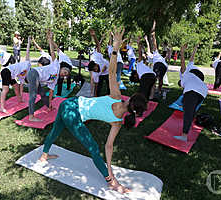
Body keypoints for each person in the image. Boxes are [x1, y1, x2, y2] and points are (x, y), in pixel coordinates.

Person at [38, 27, 147, 193]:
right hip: (72, 111)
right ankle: (110, 182)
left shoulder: (117, 96)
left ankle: (44, 155)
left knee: (56, 129)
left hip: (69, 104)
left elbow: (111, 72)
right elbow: (108, 147)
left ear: (131, 98)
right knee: (93, 148)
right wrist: (112, 176)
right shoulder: (117, 122)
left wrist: (115, 49)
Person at [27, 30, 71, 122]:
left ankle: (48, 106)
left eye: (65, 75)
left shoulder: (55, 80)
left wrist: (50, 103)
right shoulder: (56, 65)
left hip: (37, 78)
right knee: (33, 95)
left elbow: (51, 92)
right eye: (65, 72)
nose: (64, 74)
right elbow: (52, 52)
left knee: (43, 94)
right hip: (34, 73)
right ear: (63, 68)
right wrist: (50, 39)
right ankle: (31, 116)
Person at [173, 44, 208, 142]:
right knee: (191, 110)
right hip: (203, 90)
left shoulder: (184, 77)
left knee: (188, 112)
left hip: (194, 89)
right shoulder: (190, 72)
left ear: (181, 84)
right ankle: (188, 126)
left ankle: (184, 135)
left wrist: (182, 53)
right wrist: (195, 49)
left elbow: (182, 65)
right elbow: (191, 59)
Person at [0, 36, 32, 113]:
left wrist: (21, 96)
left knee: (16, 86)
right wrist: (29, 41)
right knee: (6, 89)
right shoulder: (28, 64)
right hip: (6, 71)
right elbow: (27, 52)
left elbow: (21, 86)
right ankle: (1, 107)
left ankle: (20, 100)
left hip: (11, 74)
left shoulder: (23, 77)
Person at [88, 29, 110, 97]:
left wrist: (94, 36)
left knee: (109, 85)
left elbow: (98, 45)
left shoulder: (96, 57)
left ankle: (110, 95)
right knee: (98, 85)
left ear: (96, 64)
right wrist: (92, 93)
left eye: (95, 69)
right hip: (102, 73)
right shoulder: (93, 71)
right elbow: (92, 81)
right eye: (94, 70)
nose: (95, 70)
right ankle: (96, 96)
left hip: (108, 70)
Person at [151, 20, 169, 94]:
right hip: (164, 66)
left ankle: (154, 90)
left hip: (159, 65)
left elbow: (154, 43)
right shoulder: (159, 56)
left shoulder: (156, 53)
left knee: (155, 78)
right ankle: (159, 90)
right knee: (160, 78)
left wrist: (153, 35)